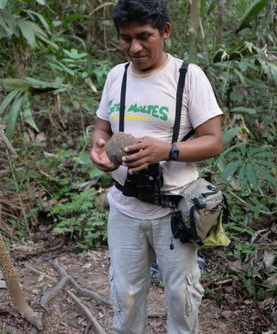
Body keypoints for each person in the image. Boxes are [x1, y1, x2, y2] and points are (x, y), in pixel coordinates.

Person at [89, 0, 223, 333]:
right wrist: (99, 149)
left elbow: (213, 140)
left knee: (181, 295)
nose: (134, 47)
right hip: (124, 207)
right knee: (126, 292)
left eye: (144, 36)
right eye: (125, 38)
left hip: (173, 210)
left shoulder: (188, 77)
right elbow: (102, 127)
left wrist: (168, 150)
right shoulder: (116, 76)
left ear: (165, 32)